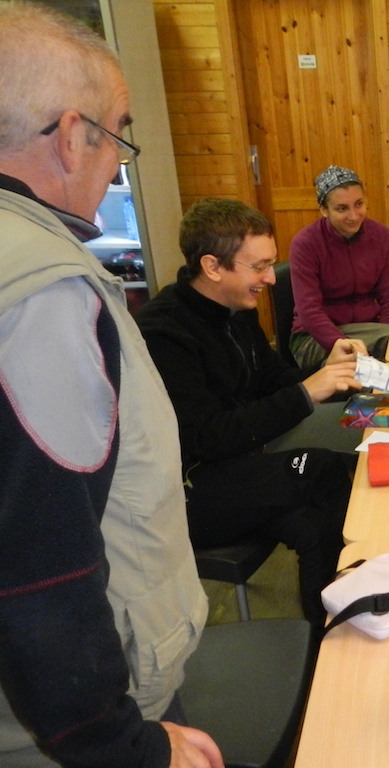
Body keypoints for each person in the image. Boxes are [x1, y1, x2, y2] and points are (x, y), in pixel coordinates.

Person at [0, 3, 222, 766]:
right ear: (72, 136)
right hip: (72, 724)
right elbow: (41, 564)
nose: (116, 164)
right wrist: (123, 746)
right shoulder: (43, 289)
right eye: (118, 134)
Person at [135, 198, 364, 624]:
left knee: (313, 521)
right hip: (186, 493)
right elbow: (210, 437)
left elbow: (273, 379)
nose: (270, 279)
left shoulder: (234, 308)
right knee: (321, 470)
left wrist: (328, 372)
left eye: (270, 264)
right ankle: (335, 624)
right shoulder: (163, 333)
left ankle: (329, 630)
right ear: (212, 266)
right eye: (259, 266)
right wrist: (305, 393)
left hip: (238, 467)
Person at [289, 165, 389, 367]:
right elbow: (309, 310)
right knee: (359, 364)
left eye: (359, 204)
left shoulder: (381, 236)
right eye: (342, 208)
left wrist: (385, 338)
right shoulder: (305, 244)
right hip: (314, 338)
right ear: (324, 210)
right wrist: (343, 344)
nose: (354, 215)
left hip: (370, 331)